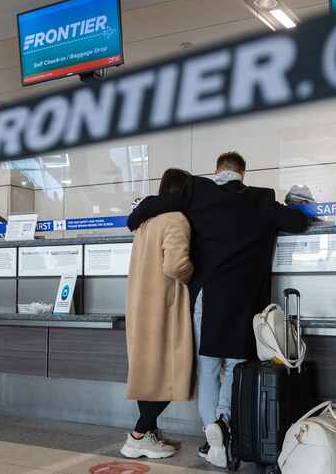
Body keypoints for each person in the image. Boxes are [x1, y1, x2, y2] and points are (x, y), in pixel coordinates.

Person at [127, 151, 308, 468]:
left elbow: (157, 204)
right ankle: (223, 427)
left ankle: (211, 435)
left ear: (217, 171)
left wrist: (133, 218)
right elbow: (298, 223)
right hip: (244, 298)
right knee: (237, 365)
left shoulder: (198, 191)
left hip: (206, 296)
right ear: (243, 172)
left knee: (207, 367)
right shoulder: (262, 199)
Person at [120, 168, 195, 460]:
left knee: (147, 372)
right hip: (164, 305)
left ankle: (148, 432)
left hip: (141, 303)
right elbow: (175, 266)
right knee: (169, 370)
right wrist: (193, 274)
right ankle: (138, 434)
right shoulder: (176, 220)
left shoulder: (146, 219)